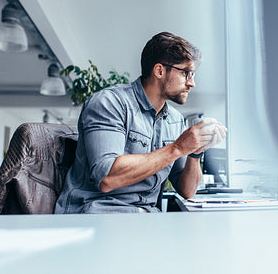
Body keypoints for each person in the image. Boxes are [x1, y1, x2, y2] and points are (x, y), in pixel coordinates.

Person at [55, 32, 227, 213]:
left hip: (145, 217)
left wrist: (195, 153)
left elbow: (187, 191)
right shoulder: (109, 102)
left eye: (193, 74)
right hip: (96, 213)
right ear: (159, 71)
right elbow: (106, 178)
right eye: (186, 73)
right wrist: (177, 148)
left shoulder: (175, 120)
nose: (192, 83)